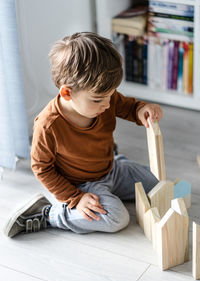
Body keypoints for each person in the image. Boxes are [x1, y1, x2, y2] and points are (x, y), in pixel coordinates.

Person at [3, 32, 162, 238]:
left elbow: (127, 106)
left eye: (110, 95)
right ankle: (48, 214)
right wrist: (76, 197)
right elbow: (42, 169)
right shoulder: (48, 126)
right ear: (67, 93)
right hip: (80, 184)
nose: (107, 104)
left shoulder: (105, 99)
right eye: (98, 100)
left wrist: (140, 109)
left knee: (157, 184)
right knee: (116, 218)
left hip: (110, 168)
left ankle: (117, 160)